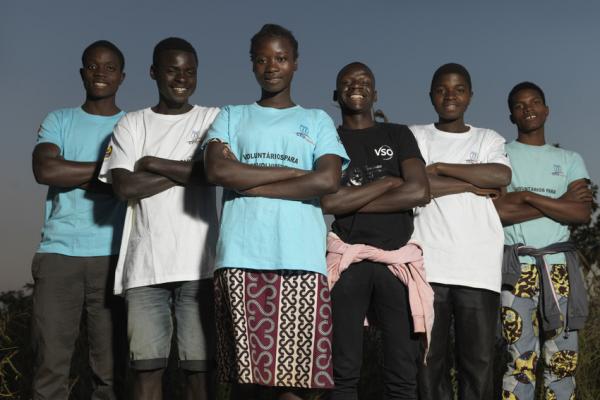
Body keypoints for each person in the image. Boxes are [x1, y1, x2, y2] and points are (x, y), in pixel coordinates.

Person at [203, 24, 349, 400]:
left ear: (295, 63)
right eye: (262, 59)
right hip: (240, 256)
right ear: (252, 65)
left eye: (281, 58)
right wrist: (299, 173)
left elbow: (328, 179)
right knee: (245, 382)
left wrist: (248, 181)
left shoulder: (316, 120)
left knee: (295, 386)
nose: (272, 66)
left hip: (299, 258)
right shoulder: (232, 115)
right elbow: (218, 170)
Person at [99, 37, 219, 400]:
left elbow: (215, 172)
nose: (181, 78)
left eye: (189, 71)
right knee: (145, 372)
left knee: (200, 372)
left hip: (200, 269)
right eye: (172, 70)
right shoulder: (131, 125)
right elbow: (124, 186)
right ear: (154, 73)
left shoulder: (213, 118)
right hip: (145, 269)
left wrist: (151, 162)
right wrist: (188, 169)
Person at [321, 61, 433, 400]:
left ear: (376, 93)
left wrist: (348, 200)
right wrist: (386, 182)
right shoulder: (329, 139)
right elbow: (329, 201)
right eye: (348, 80)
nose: (357, 85)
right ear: (335, 93)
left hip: (396, 264)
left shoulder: (397, 134)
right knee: (342, 373)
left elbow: (418, 191)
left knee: (402, 373)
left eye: (364, 80)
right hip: (349, 263)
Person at [409, 63, 512, 400]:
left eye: (458, 89)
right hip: (427, 266)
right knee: (428, 364)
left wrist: (439, 168)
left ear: (470, 95)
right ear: (430, 95)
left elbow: (499, 176)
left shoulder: (488, 138)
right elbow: (417, 185)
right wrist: (470, 182)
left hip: (477, 267)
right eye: (442, 88)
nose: (450, 95)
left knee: (478, 364)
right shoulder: (415, 136)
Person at [31, 40, 126, 400]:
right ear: (82, 72)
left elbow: (128, 184)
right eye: (92, 65)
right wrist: (107, 172)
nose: (100, 72)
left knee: (110, 374)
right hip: (58, 255)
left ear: (122, 76)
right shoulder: (60, 119)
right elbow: (45, 168)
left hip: (113, 257)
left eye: (110, 67)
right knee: (50, 367)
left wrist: (75, 173)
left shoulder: (132, 124)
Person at [494, 82, 591, 400]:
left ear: (547, 110)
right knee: (519, 362)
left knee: (562, 364)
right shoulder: (501, 155)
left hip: (559, 271)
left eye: (535, 102)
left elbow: (581, 212)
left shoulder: (569, 159)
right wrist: (557, 202)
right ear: (511, 115)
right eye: (520, 105)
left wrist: (525, 196)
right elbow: (499, 212)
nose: (528, 109)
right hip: (516, 271)